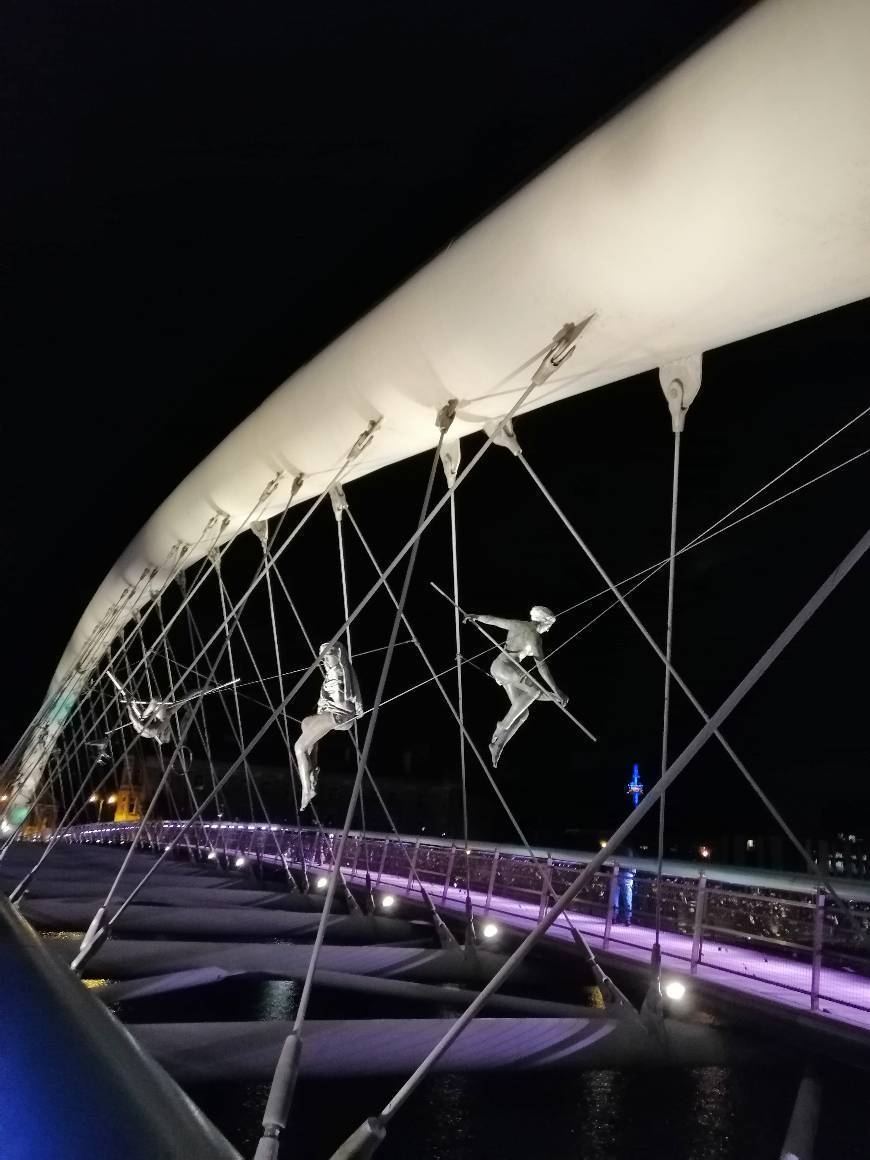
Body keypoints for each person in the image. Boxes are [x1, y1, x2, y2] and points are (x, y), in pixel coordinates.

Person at [463, 605, 567, 767]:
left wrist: (476, 616)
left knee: (523, 713)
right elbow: (542, 667)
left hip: (502, 668)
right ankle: (502, 725)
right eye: (549, 627)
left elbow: (492, 620)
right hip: (506, 668)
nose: (548, 630)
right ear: (545, 622)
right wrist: (557, 690)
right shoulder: (535, 637)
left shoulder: (518, 624)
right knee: (533, 691)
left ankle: (498, 745)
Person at [294, 641, 362, 810]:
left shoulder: (340, 672)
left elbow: (344, 696)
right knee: (306, 723)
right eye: (323, 659)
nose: (324, 661)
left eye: (327, 658)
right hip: (333, 714)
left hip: (340, 716)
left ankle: (307, 790)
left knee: (299, 748)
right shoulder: (333, 673)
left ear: (336, 657)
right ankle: (313, 770)